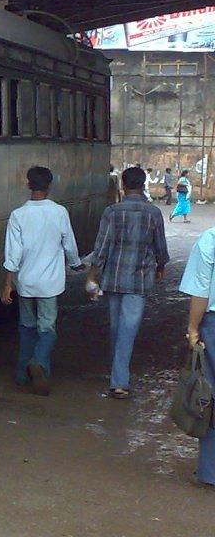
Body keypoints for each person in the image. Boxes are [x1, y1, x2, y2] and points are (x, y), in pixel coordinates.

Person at [87, 166, 169, 399]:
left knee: (117, 328)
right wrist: (160, 266)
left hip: (113, 279)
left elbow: (101, 247)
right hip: (139, 281)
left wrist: (93, 275)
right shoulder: (153, 213)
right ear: (143, 185)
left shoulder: (111, 212)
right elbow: (160, 246)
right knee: (128, 329)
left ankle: (117, 374)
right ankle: (119, 381)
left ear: (123, 185)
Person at [1, 166, 84, 396]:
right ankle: (38, 364)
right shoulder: (59, 212)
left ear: (28, 185)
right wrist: (76, 263)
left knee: (26, 327)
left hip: (26, 282)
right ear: (49, 186)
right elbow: (69, 244)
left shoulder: (18, 215)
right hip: (50, 283)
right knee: (47, 328)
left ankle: (21, 374)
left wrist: (8, 283)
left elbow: (13, 254)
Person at [179, 226, 215, 489]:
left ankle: (210, 472)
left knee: (210, 397)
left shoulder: (211, 239)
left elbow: (201, 290)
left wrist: (193, 329)